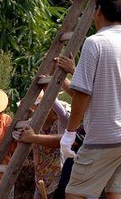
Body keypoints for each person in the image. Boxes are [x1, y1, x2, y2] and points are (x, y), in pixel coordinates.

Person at [63, 0, 121, 199]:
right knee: (117, 194)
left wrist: (70, 133)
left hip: (104, 138)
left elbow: (83, 95)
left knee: (75, 193)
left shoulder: (94, 43)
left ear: (98, 10)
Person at [12, 56, 76, 199]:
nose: (35, 109)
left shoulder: (61, 123)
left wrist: (49, 86)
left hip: (59, 179)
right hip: (40, 179)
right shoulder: (34, 126)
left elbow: (59, 109)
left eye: (38, 106)